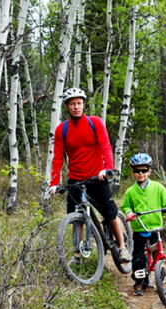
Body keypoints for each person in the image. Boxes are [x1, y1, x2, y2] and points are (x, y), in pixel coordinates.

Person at [48, 87, 130, 262]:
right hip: (75, 180)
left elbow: (106, 146)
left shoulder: (95, 122)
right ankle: (77, 255)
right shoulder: (61, 130)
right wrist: (54, 183)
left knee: (110, 215)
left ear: (83, 105)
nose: (76, 107)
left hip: (97, 177)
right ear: (67, 107)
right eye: (72, 104)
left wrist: (108, 169)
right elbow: (57, 158)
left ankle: (122, 247)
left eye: (79, 103)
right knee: (77, 220)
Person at [121, 153, 166, 296]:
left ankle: (162, 280)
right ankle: (139, 282)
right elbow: (126, 207)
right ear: (133, 172)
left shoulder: (157, 187)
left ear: (149, 171)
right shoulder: (130, 191)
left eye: (144, 170)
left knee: (159, 253)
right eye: (137, 171)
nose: (140, 173)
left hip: (156, 227)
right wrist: (129, 213)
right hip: (139, 227)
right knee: (138, 256)